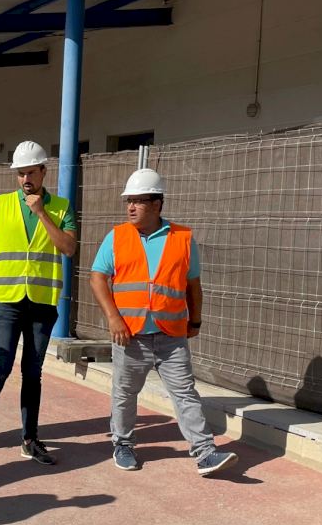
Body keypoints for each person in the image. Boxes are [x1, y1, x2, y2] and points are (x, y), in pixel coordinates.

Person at [88, 167, 238, 476]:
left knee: (185, 393)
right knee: (124, 393)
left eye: (138, 201)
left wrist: (195, 321)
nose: (131, 207)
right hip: (130, 334)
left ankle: (205, 453)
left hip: (171, 336)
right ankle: (123, 444)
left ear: (157, 204)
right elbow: (97, 278)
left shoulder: (182, 238)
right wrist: (114, 318)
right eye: (129, 201)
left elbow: (193, 285)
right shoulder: (117, 237)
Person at [0, 141, 78, 464]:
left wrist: (41, 213)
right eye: (20, 173)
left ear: (43, 171)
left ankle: (30, 438)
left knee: (32, 372)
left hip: (42, 302)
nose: (25, 179)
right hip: (8, 300)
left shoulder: (62, 208)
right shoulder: (0, 204)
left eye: (30, 172)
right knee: (1, 366)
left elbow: (68, 248)